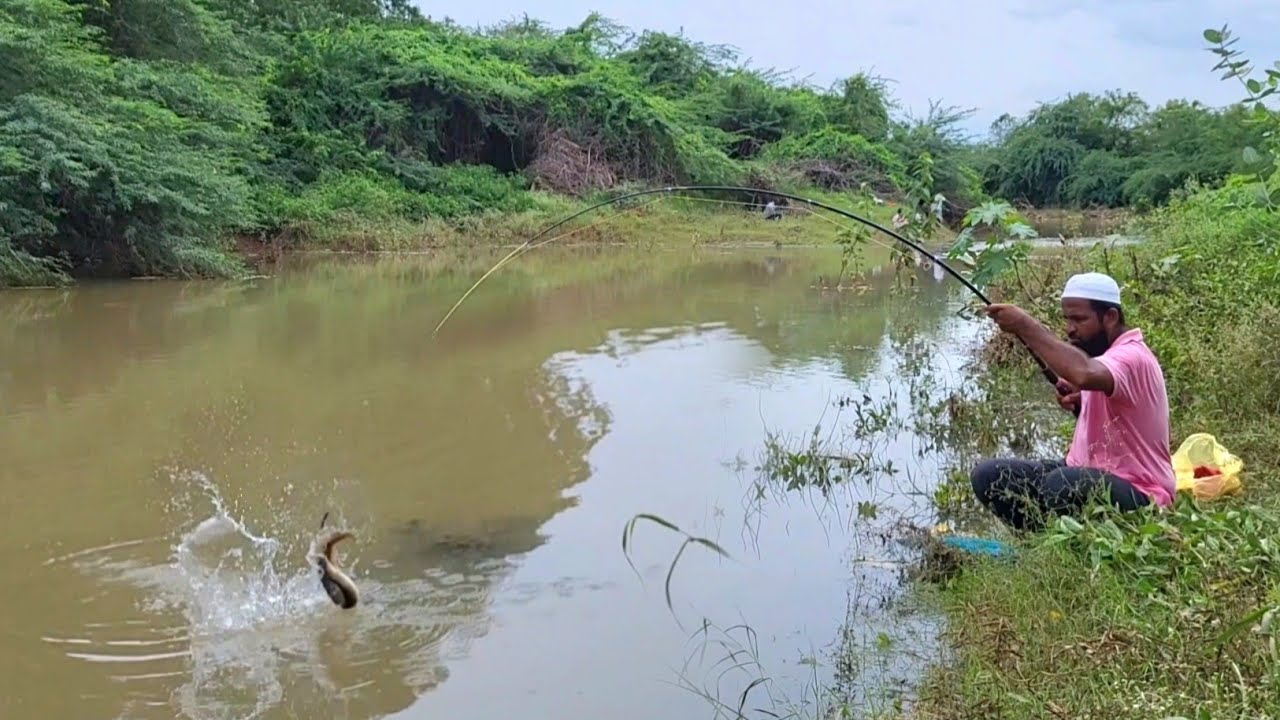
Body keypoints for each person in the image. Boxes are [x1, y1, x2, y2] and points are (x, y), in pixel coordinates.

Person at [971, 272, 1176, 532]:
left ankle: (1075, 542)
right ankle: (1045, 544)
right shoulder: (1104, 357)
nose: (1070, 329)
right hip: (1085, 471)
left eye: (1079, 319)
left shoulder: (1132, 357)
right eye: (1067, 319)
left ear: (1110, 317)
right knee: (990, 476)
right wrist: (1082, 404)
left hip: (1139, 492)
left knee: (1062, 484)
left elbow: (1083, 372)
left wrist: (1025, 325)